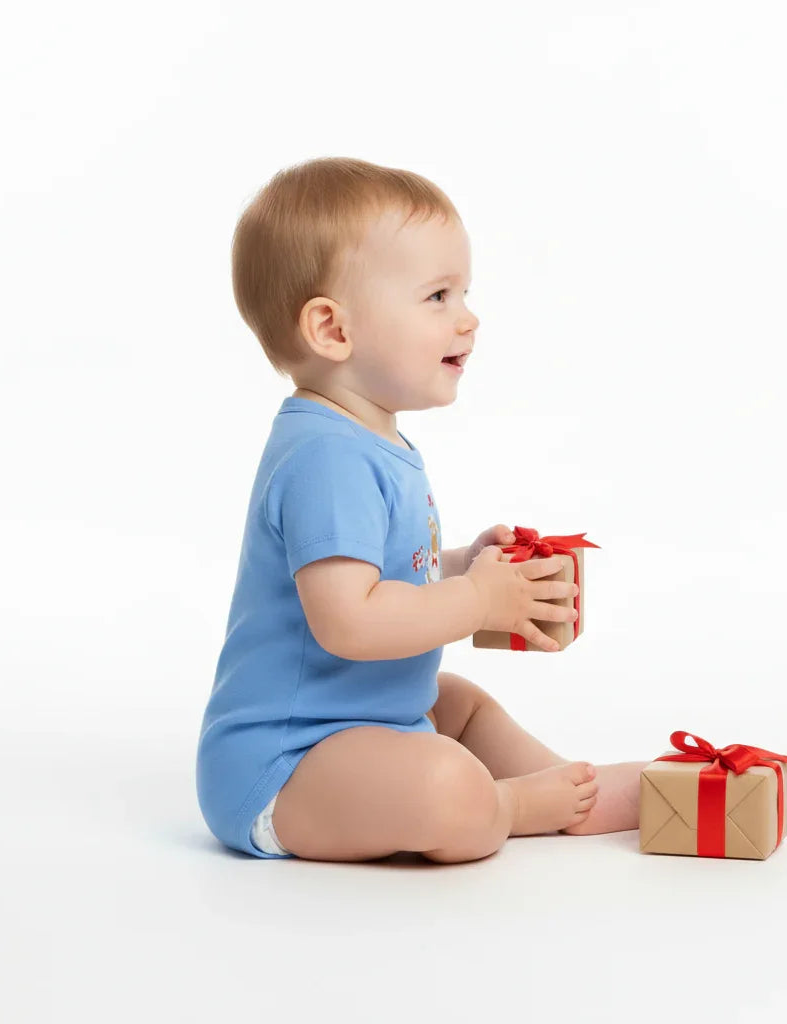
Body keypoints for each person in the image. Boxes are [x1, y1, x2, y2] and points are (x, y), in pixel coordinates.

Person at [196, 156, 648, 863]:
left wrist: (466, 564)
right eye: (437, 296)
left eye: (464, 293)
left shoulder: (367, 438)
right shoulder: (327, 456)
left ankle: (569, 786)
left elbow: (380, 573)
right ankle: (512, 804)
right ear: (332, 330)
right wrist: (476, 600)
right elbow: (350, 620)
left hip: (369, 727)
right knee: (446, 784)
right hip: (286, 766)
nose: (467, 319)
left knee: (456, 704)